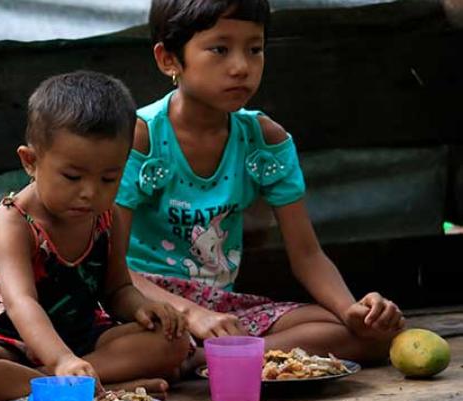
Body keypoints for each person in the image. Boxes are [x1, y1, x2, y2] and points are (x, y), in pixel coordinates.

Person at [116, 0, 404, 366]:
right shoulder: (141, 138)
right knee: (153, 345)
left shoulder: (264, 140)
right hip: (144, 303)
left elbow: (307, 255)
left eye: (254, 49)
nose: (241, 67)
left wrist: (353, 312)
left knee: (373, 337)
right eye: (220, 50)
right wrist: (191, 314)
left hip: (221, 308)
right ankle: (210, 355)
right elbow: (111, 268)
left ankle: (204, 359)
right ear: (169, 59)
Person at [0, 71, 192, 401]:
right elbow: (21, 303)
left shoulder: (108, 217)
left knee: (173, 340)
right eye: (72, 177)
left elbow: (117, 289)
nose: (90, 192)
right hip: (8, 341)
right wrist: (61, 360)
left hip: (80, 339)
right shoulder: (14, 223)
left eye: (109, 178)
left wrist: (140, 306)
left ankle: (63, 386)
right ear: (31, 162)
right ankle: (100, 388)